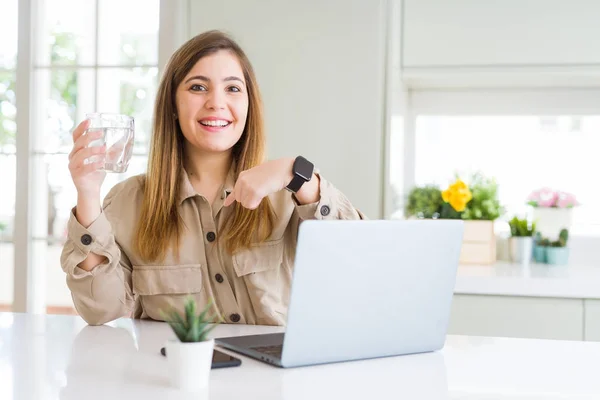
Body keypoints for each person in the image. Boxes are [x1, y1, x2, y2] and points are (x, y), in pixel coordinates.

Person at [60, 30, 365, 326]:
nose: (216, 103)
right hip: (175, 374)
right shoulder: (130, 201)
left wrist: (297, 173)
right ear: (173, 106)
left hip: (276, 377)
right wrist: (87, 193)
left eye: (232, 89)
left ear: (248, 105)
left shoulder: (290, 193)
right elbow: (100, 309)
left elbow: (358, 266)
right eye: (198, 87)